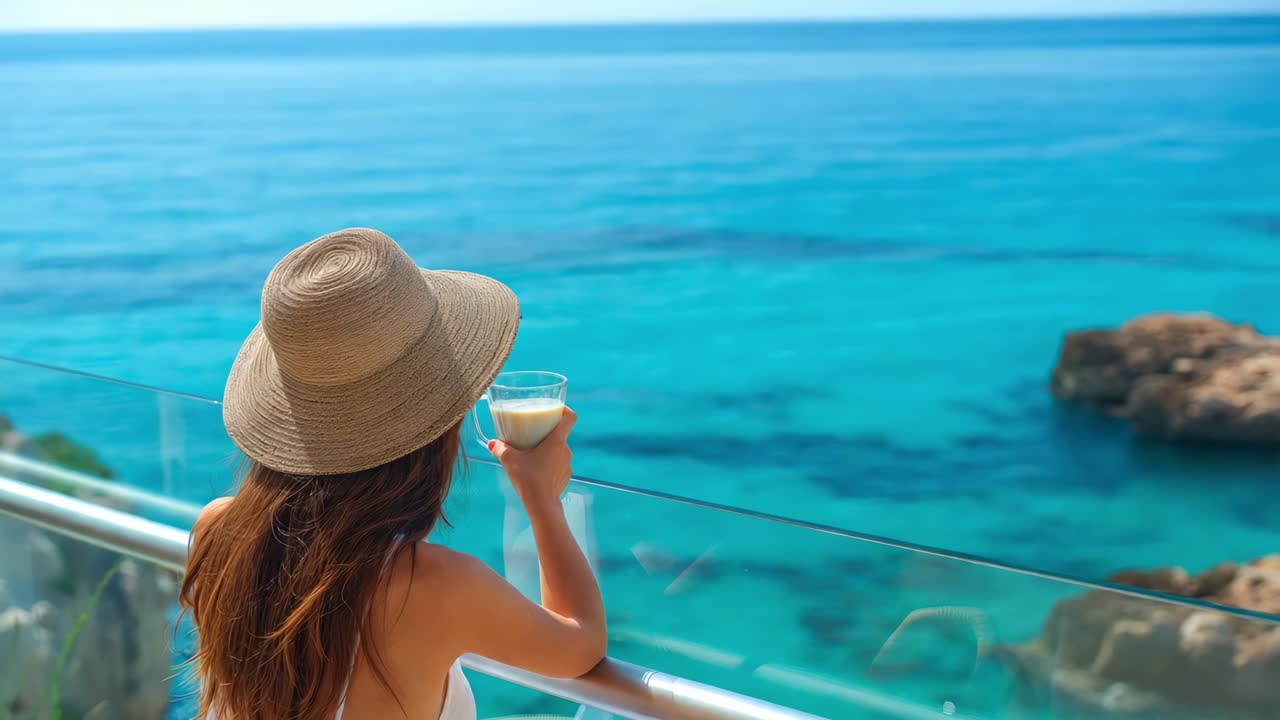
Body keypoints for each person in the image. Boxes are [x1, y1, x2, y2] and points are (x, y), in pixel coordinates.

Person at [180, 228, 605, 720]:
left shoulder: (219, 532)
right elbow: (580, 646)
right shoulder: (434, 584)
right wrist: (541, 497)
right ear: (433, 426)